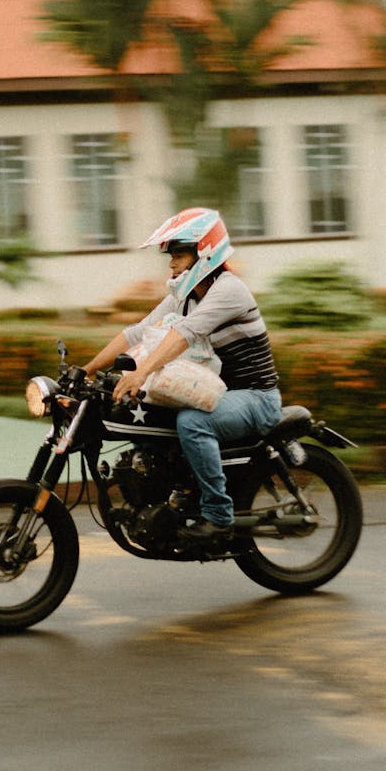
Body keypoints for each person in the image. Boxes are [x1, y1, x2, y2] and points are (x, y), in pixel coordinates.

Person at [83, 207, 283, 545]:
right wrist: (86, 370)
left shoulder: (228, 290)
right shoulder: (186, 296)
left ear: (204, 252)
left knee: (192, 423)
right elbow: (138, 333)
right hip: (219, 394)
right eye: (171, 256)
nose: (172, 264)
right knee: (149, 419)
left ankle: (219, 517)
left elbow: (182, 336)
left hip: (256, 398)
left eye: (179, 254)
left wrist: (139, 373)